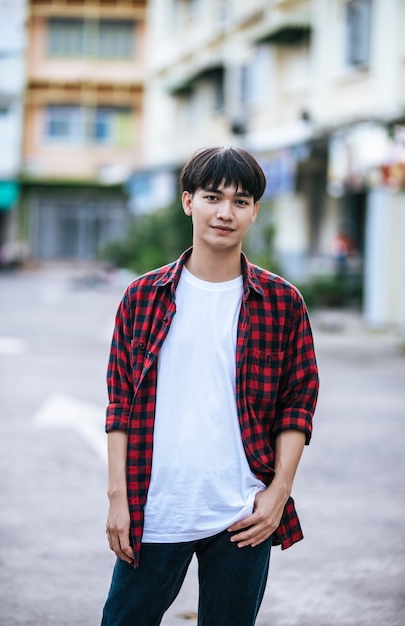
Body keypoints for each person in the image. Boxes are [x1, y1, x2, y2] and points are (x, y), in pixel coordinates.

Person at [101, 146, 319, 626]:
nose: (225, 212)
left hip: (242, 514)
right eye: (212, 197)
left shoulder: (282, 302)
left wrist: (279, 492)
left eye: (241, 202)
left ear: (255, 211)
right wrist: (118, 498)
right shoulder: (142, 297)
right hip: (155, 507)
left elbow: (296, 405)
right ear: (188, 202)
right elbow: (120, 405)